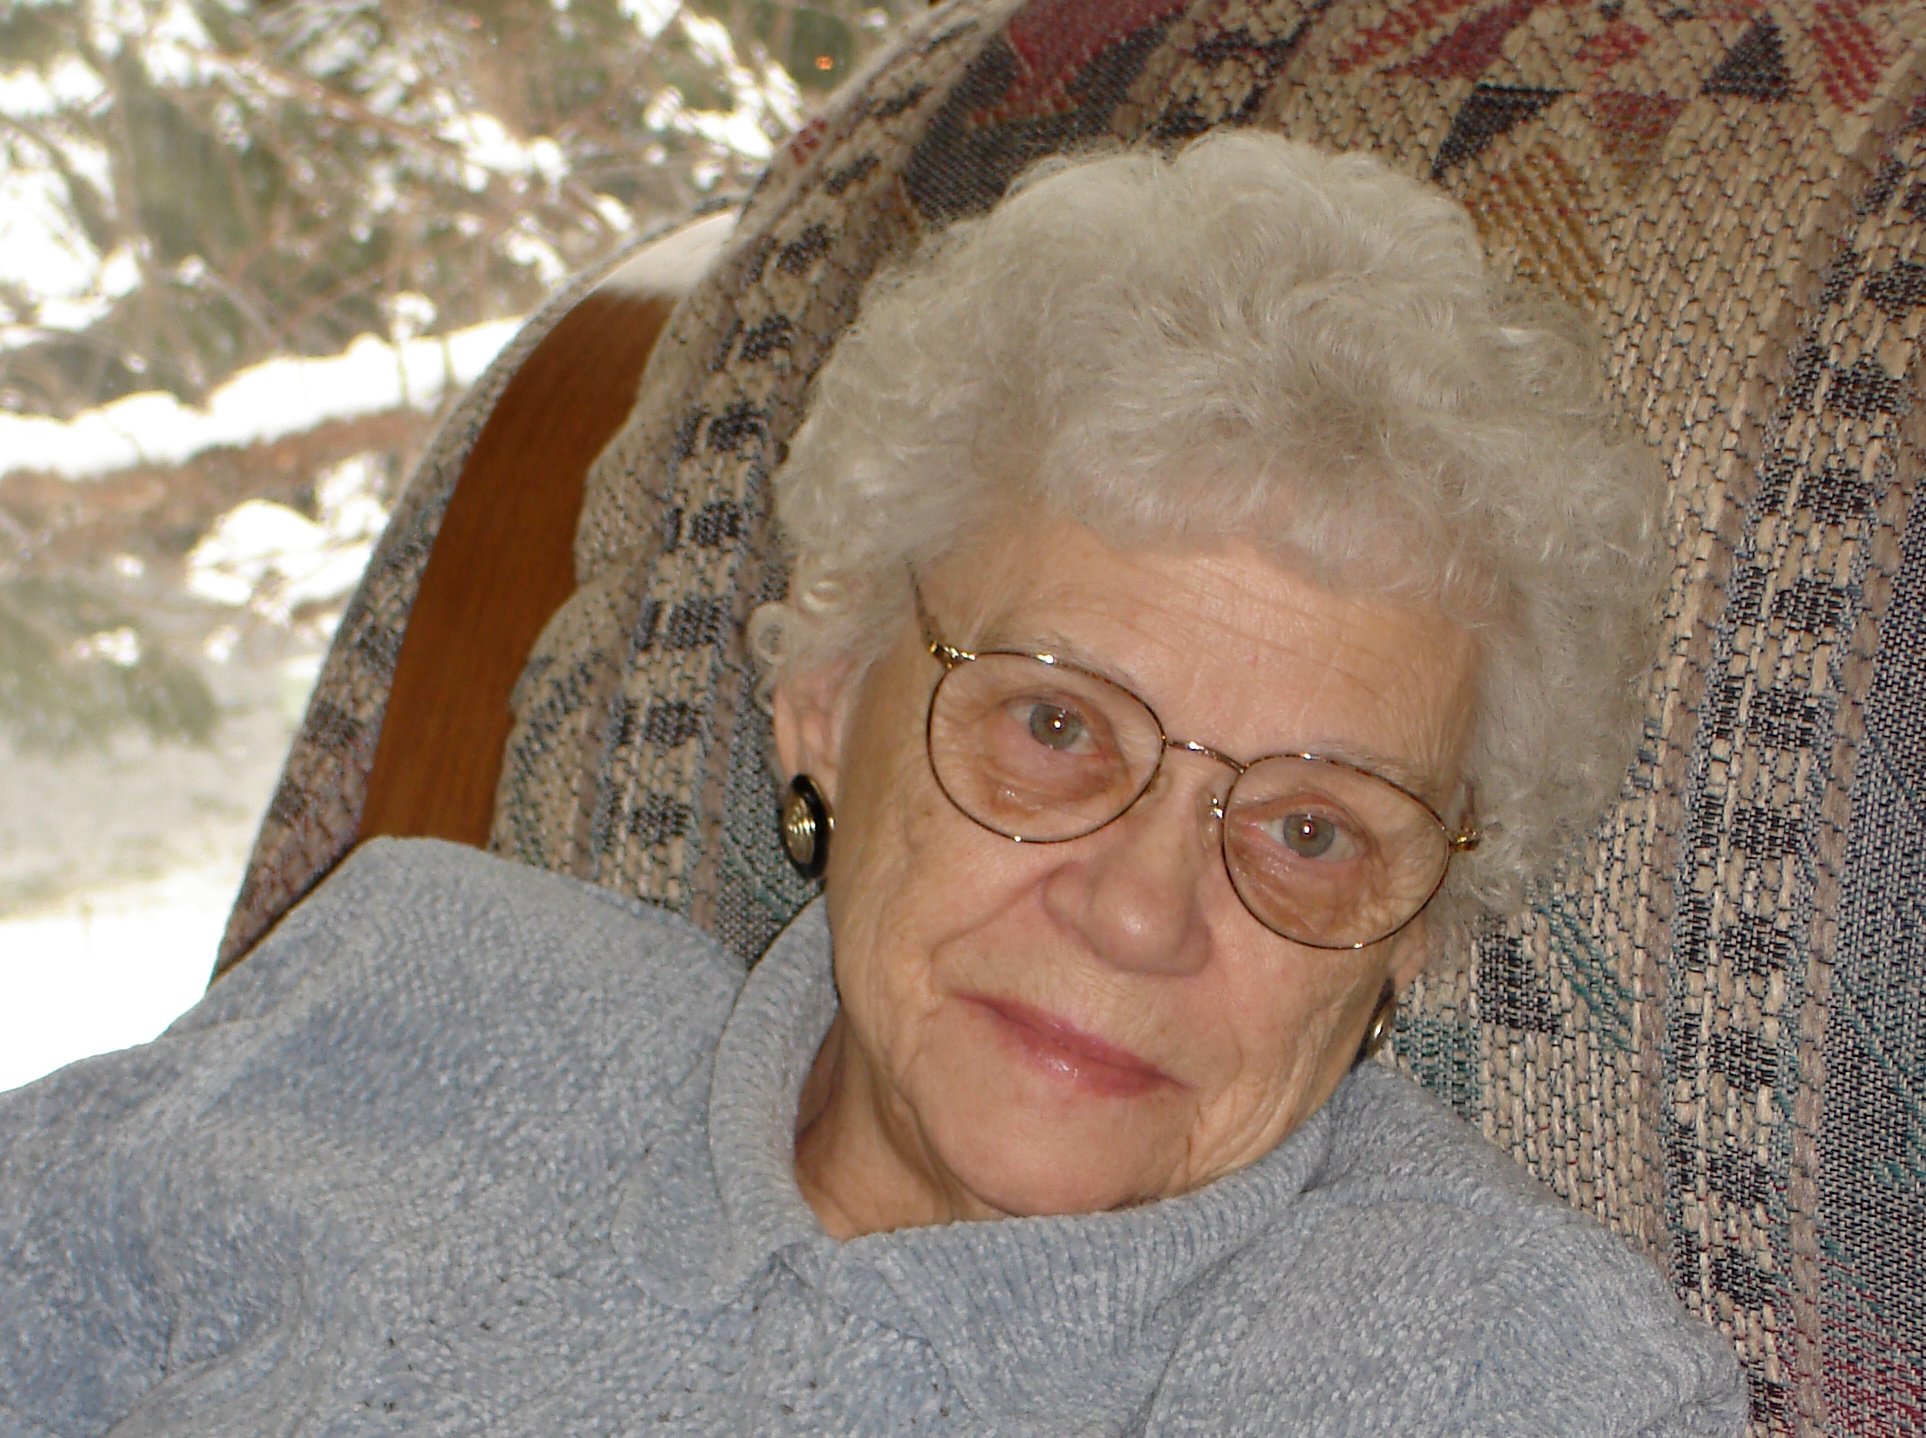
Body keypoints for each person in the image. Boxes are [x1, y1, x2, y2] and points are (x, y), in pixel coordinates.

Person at [0, 134, 1746, 1435]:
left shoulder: (1496, 1377)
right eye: (1054, 726)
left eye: (1308, 827)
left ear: (1414, 928)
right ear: (824, 698)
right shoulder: (409, 998)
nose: (1139, 911)